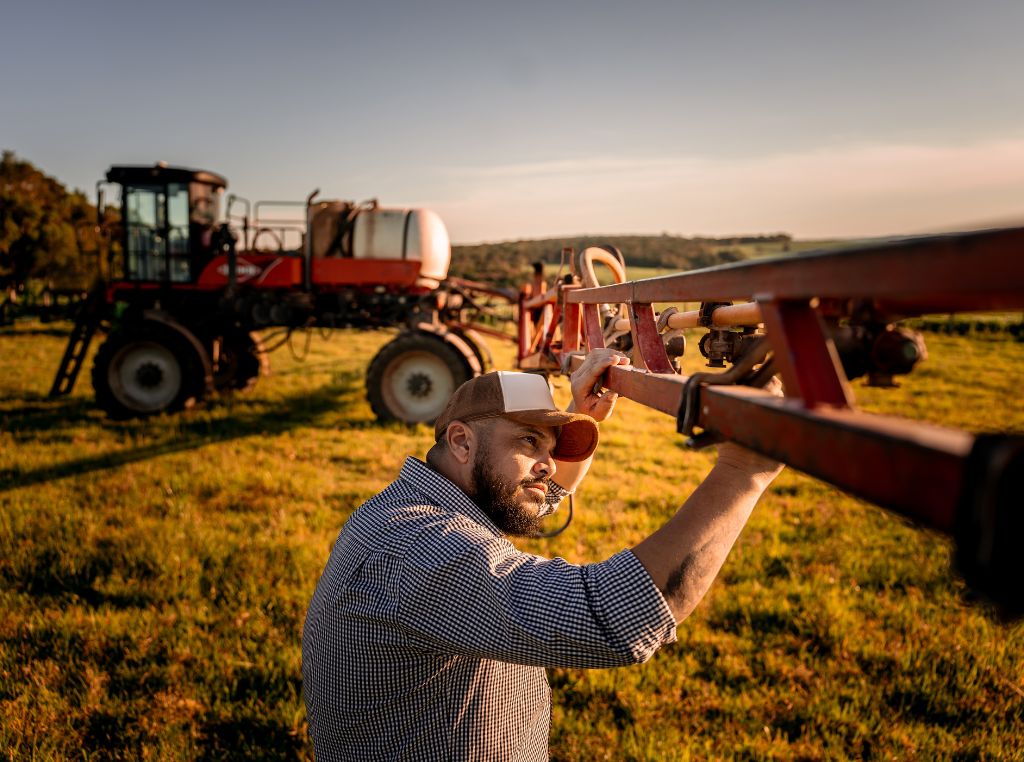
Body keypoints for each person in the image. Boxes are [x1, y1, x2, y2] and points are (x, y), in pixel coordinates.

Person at [302, 349, 783, 760]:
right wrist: (744, 472)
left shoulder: (414, 506)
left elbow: (539, 492)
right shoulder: (424, 551)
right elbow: (613, 616)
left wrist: (582, 412)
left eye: (550, 446)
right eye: (529, 441)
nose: (549, 464)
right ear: (462, 442)